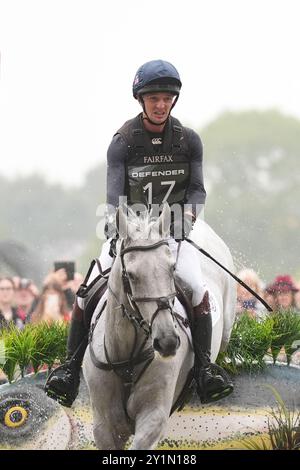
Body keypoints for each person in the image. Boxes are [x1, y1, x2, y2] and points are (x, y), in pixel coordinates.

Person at [45, 59, 233, 407]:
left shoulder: (189, 140)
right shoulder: (123, 141)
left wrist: (189, 215)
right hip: (131, 234)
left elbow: (196, 190)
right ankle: (69, 371)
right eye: (153, 99)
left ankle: (205, 369)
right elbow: (114, 196)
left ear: (173, 100)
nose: (160, 105)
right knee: (88, 292)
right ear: (141, 100)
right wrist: (119, 227)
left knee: (195, 286)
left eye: (166, 98)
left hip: (173, 231)